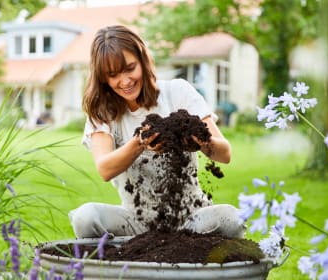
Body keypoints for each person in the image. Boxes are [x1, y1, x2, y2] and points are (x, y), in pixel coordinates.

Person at [69, 25, 245, 239]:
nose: (124, 81)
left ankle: (184, 250)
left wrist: (201, 142)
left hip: (191, 218)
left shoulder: (177, 92)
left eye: (130, 68)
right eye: (113, 75)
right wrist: (139, 143)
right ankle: (125, 260)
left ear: (143, 61)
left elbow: (225, 154)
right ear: (103, 78)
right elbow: (105, 169)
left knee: (233, 219)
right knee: (85, 217)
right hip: (135, 221)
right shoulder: (103, 111)